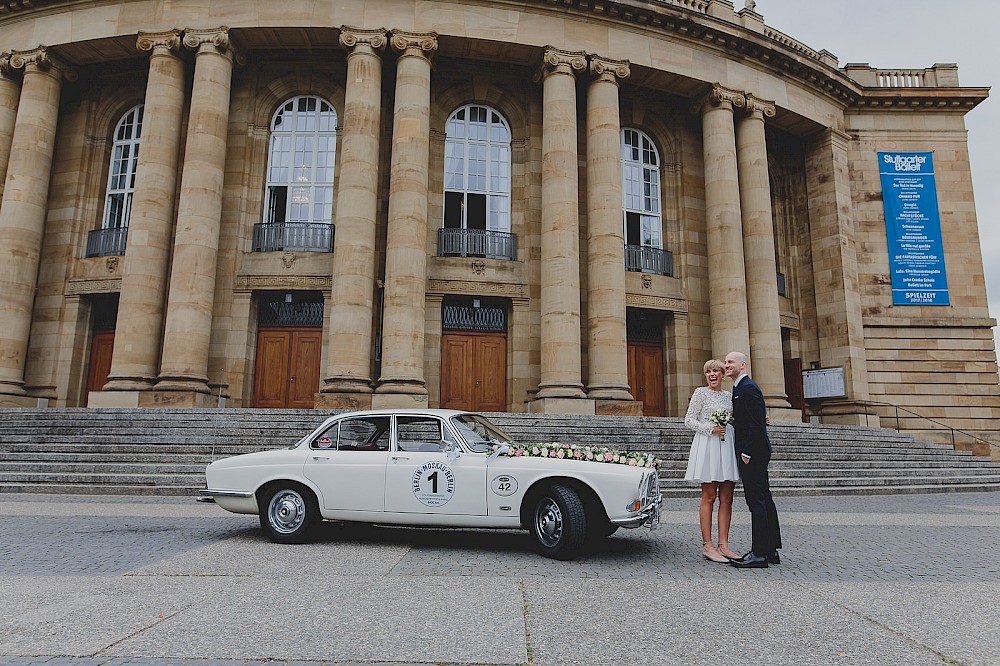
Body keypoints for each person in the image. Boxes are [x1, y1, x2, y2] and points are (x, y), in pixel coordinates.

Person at [724, 351, 782, 568]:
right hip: (756, 451)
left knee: (756, 501)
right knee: (764, 499)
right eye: (726, 361)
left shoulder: (748, 388)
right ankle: (770, 550)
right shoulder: (741, 388)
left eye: (731, 362)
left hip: (753, 453)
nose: (727, 364)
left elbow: (756, 424)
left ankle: (759, 554)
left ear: (743, 364)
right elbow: (749, 418)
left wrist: (746, 452)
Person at [683, 359, 742, 563]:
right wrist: (710, 429)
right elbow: (689, 420)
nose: (712, 374)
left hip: (727, 445)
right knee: (709, 495)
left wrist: (761, 419)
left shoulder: (729, 395)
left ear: (723, 374)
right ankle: (708, 545)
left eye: (716, 370)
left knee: (727, 496)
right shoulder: (700, 393)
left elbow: (737, 417)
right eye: (708, 372)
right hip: (708, 444)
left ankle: (723, 545)